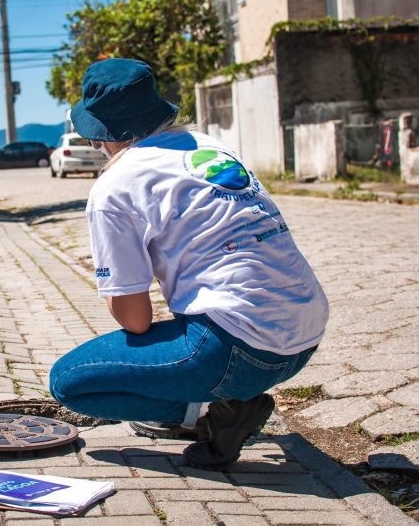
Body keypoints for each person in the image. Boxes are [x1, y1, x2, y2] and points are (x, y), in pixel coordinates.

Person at [49, 58, 329, 470]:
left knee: (69, 383)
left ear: (103, 135)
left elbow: (136, 320)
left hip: (239, 348)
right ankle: (227, 402)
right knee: (182, 343)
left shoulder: (115, 185)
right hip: (305, 336)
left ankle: (215, 414)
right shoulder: (207, 145)